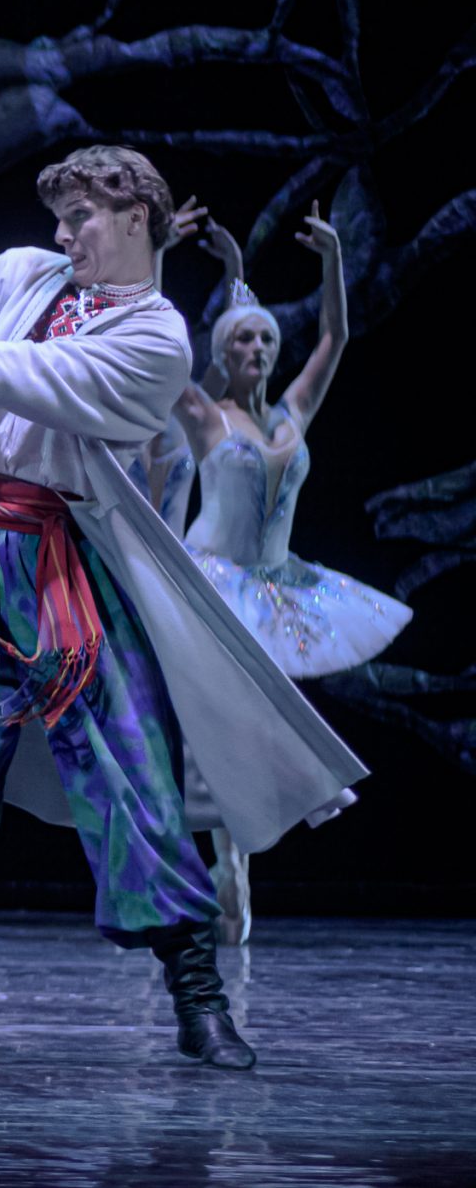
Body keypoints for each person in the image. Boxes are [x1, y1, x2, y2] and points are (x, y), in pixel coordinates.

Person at [0, 144, 367, 1070]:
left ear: (136, 219)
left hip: (60, 566)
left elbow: (36, 378)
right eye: (61, 216)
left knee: (136, 768)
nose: (62, 233)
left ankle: (197, 994)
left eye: (81, 216)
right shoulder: (18, 274)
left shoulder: (159, 337)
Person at [172, 201, 412, 942]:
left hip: (275, 585)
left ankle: (232, 852)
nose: (256, 346)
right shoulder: (208, 416)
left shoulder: (291, 415)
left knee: (245, 729)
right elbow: (164, 359)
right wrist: (171, 260)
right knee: (220, 724)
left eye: (264, 337)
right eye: (242, 336)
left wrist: (334, 258)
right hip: (214, 583)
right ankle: (225, 861)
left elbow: (337, 334)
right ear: (226, 347)